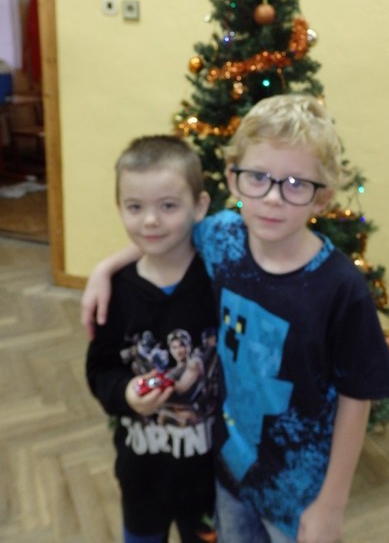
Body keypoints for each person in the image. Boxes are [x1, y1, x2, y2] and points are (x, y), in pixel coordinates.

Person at [82, 95, 389, 543]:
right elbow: (165, 232)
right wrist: (105, 269)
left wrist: (332, 504)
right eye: (258, 178)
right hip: (229, 475)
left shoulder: (340, 288)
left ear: (323, 197)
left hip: (299, 494)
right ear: (234, 179)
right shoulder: (223, 238)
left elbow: (357, 397)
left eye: (296, 184)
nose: (272, 198)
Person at [85, 135, 218, 543]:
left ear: (200, 207)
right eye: (135, 207)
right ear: (119, 208)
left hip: (212, 479)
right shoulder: (115, 293)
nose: (150, 221)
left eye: (168, 206)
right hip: (142, 474)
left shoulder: (220, 282)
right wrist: (126, 393)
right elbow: (101, 370)